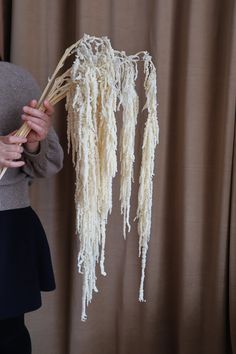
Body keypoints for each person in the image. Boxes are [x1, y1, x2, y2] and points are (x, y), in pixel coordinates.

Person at [0, 61, 64, 353]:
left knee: (7, 336)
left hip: (7, 228)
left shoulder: (15, 79)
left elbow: (46, 166)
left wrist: (35, 145)